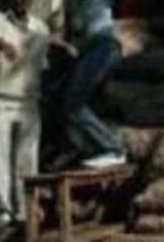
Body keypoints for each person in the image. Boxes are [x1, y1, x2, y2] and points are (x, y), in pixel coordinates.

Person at [0, 0, 52, 242]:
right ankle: (5, 211)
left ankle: (25, 212)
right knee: (1, 157)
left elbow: (44, 66)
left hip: (29, 100)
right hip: (0, 98)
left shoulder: (41, 29)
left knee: (27, 160)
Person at [48, 0, 127, 171]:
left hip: (103, 46)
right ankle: (76, 145)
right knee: (56, 96)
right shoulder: (68, 6)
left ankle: (112, 149)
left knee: (73, 103)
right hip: (85, 52)